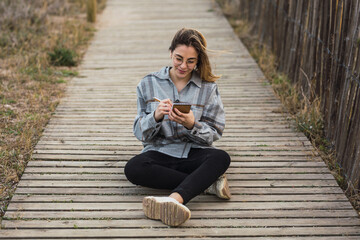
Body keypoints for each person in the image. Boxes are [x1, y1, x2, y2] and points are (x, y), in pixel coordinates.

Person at [124, 28, 231, 227]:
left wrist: (192, 124)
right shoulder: (148, 83)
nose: (183, 66)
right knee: (133, 168)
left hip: (194, 152)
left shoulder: (208, 88)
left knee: (221, 157)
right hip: (159, 152)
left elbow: (215, 132)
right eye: (178, 58)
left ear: (198, 61)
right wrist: (155, 116)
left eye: (191, 61)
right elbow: (139, 132)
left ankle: (175, 199)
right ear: (170, 52)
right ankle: (207, 184)